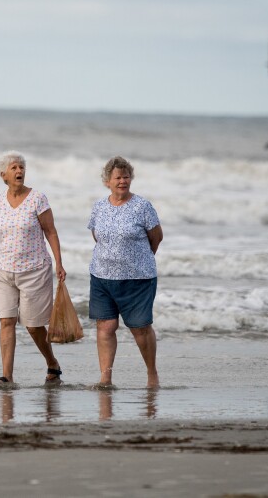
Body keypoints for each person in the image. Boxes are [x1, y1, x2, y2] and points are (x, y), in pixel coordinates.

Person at [0, 151, 66, 387]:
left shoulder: (38, 198)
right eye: (14, 168)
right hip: (4, 270)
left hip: (35, 270)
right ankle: (7, 377)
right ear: (3, 175)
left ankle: (52, 363)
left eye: (21, 168)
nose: (19, 171)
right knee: (6, 322)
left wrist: (59, 262)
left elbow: (51, 232)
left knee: (34, 325)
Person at [88, 156, 163, 389]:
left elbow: (156, 237)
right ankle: (105, 378)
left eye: (126, 176)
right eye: (118, 177)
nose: (123, 181)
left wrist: (136, 259)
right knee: (105, 327)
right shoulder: (99, 206)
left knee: (140, 328)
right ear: (107, 181)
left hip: (137, 278)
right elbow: (96, 236)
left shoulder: (142, 206)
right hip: (101, 276)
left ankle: (152, 374)